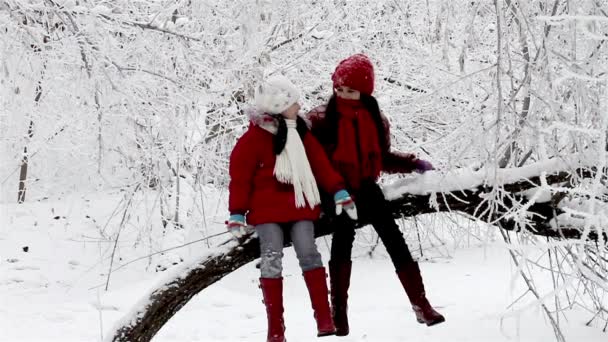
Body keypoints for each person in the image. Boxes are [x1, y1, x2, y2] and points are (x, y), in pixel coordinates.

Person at [306, 54, 445, 336]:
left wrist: (410, 163)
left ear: (365, 91)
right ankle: (338, 312)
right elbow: (310, 160)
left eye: (351, 91)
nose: (344, 95)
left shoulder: (376, 120)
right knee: (342, 239)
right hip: (335, 188)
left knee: (394, 237)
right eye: (340, 89)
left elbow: (380, 158)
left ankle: (420, 303)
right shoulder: (320, 118)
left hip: (366, 185)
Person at [227, 75, 358, 342]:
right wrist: (237, 213)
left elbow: (321, 165)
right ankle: (275, 328)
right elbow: (240, 179)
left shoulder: (301, 132)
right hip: (267, 212)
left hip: (300, 206)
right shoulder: (253, 140)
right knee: (271, 257)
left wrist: (339, 191)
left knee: (308, 252)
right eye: (293, 102)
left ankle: (323, 317)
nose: (299, 106)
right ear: (278, 105)